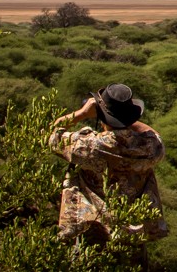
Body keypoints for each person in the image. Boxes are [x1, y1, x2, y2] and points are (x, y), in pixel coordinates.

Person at [48, 83, 168, 243]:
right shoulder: (149, 148)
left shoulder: (89, 146)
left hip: (91, 232)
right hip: (133, 235)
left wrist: (83, 113)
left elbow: (53, 135)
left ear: (101, 114)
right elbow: (154, 135)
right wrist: (124, 119)